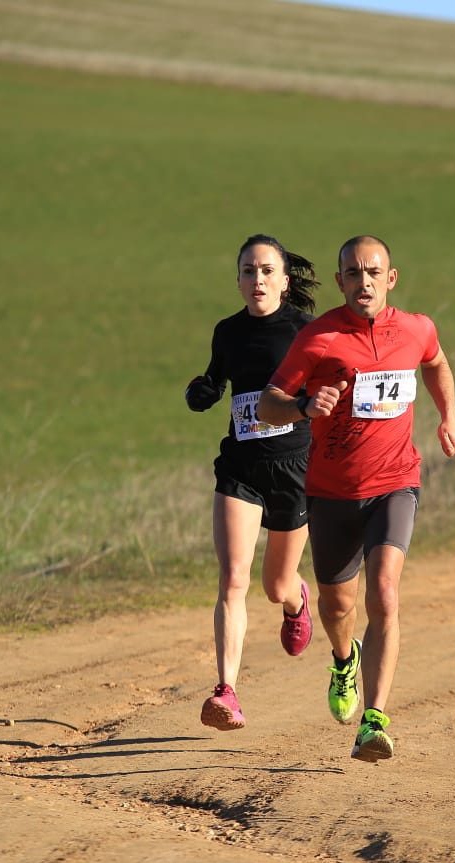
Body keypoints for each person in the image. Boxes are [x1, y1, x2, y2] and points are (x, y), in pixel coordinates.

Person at [258, 235, 455, 763]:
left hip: (396, 482)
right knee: (338, 605)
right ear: (340, 282)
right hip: (331, 492)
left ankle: (374, 720)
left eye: (373, 272)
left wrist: (450, 418)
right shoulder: (318, 336)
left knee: (386, 595)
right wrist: (306, 406)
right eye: (353, 273)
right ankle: (342, 658)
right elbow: (268, 403)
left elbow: (436, 364)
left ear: (390, 278)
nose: (364, 281)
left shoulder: (416, 328)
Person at [185, 234, 319, 731]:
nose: (256, 279)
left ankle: (296, 600)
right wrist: (201, 391)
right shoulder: (227, 332)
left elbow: (333, 384)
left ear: (284, 281)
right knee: (233, 579)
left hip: (293, 469)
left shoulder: (307, 331)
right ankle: (227, 691)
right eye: (247, 271)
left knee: (274, 585)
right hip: (240, 467)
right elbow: (216, 380)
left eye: (266, 270)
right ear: (238, 279)